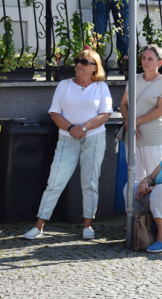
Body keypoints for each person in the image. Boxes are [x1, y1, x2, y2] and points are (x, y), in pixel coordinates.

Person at [23, 50, 112, 240]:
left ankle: (87, 226)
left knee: (90, 183)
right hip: (66, 139)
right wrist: (72, 128)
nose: (79, 64)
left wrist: (83, 127)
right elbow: (54, 113)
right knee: (55, 182)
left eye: (85, 62)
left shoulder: (101, 86)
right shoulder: (64, 85)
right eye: (77, 60)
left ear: (95, 66)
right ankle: (39, 226)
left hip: (94, 139)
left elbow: (105, 114)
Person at [119, 44, 162, 184]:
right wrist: (128, 121)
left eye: (150, 59)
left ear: (159, 62)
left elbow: (161, 110)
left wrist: (134, 122)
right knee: (135, 179)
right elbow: (123, 104)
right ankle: (134, 206)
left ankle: (152, 206)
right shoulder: (134, 79)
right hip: (132, 135)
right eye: (143, 58)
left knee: (153, 178)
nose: (145, 61)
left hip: (153, 137)